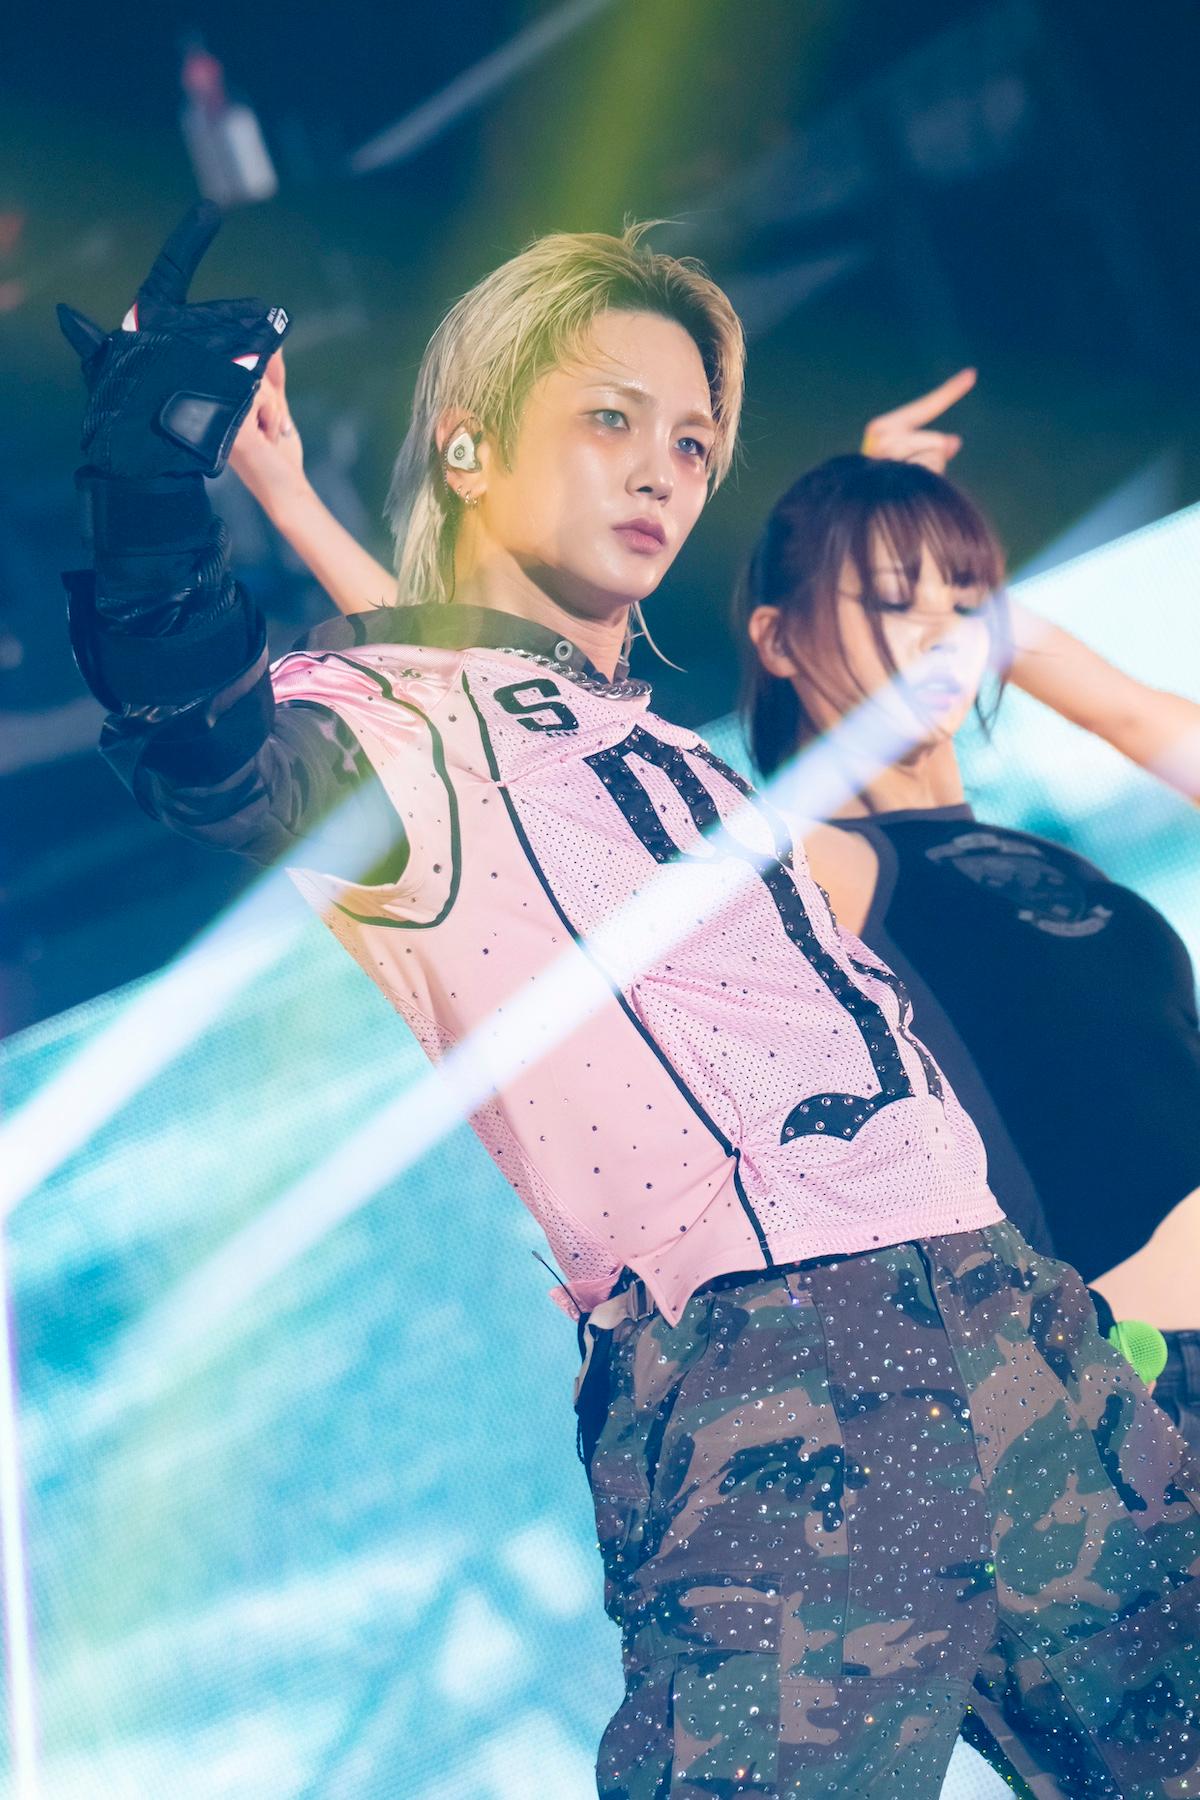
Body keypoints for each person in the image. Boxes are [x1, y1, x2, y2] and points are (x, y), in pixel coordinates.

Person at [60, 206, 1200, 1797]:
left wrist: (895, 547)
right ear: (468, 447)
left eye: (692, 440)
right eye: (610, 419)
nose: (663, 469)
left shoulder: (652, 742)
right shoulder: (383, 726)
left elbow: (505, 673)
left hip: (1014, 1331)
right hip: (793, 1374)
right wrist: (152, 494)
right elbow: (208, 742)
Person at [737, 372, 1200, 1454]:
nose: (940, 638)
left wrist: (920, 537)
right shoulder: (815, 866)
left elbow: (1145, 722)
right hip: (1143, 1395)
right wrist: (859, 522)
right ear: (778, 640)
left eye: (963, 606)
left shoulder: (1052, 861)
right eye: (891, 603)